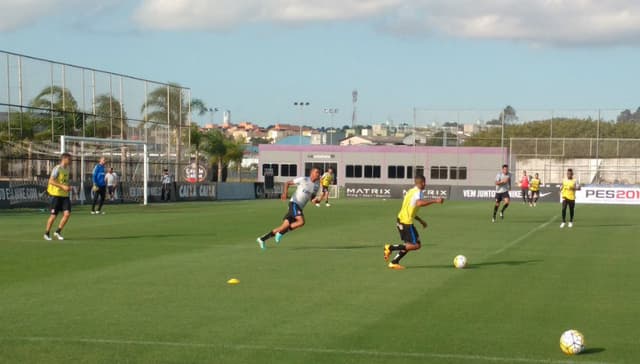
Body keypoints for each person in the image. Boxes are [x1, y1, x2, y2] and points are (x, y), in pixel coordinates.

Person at [384, 175, 444, 270]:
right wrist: (435, 200)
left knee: (409, 245)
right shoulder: (418, 192)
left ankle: (394, 262)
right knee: (416, 245)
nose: (425, 184)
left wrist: (420, 220)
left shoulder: (410, 192)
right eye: (425, 182)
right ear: (422, 183)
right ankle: (390, 248)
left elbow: (410, 209)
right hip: (406, 222)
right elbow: (419, 203)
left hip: (401, 219)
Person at [256, 168, 321, 249]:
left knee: (283, 227)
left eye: (319, 173)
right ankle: (281, 233)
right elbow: (287, 183)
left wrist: (315, 201)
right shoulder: (303, 179)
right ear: (311, 173)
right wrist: (285, 193)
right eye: (317, 172)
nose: (318, 174)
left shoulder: (316, 185)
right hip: (294, 203)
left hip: (299, 207)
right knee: (301, 222)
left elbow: (312, 197)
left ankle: (262, 239)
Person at [44, 152, 72, 241]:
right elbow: (51, 181)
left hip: (65, 196)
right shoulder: (57, 168)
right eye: (69, 159)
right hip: (56, 195)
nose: (70, 161)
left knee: (67, 214)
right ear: (64, 159)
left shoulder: (67, 169)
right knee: (53, 216)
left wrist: (67, 187)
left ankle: (58, 231)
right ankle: (46, 233)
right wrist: (62, 186)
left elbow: (64, 182)